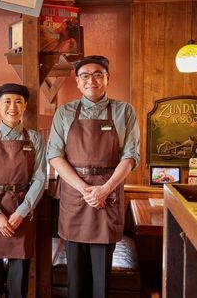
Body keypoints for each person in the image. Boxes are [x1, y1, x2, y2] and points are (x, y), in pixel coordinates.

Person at [47, 55, 140, 298]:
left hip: (107, 197)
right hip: (75, 197)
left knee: (102, 278)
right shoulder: (65, 113)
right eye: (85, 76)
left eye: (98, 74)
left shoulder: (125, 111)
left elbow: (130, 157)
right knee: (75, 275)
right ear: (77, 82)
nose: (92, 80)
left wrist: (104, 190)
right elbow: (55, 156)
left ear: (108, 78)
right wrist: (85, 189)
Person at [0, 83, 46, 298]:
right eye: (7, 101)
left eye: (18, 102)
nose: (12, 107)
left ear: (25, 106)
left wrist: (21, 212)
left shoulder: (35, 139)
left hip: (22, 212)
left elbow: (40, 178)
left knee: (19, 279)